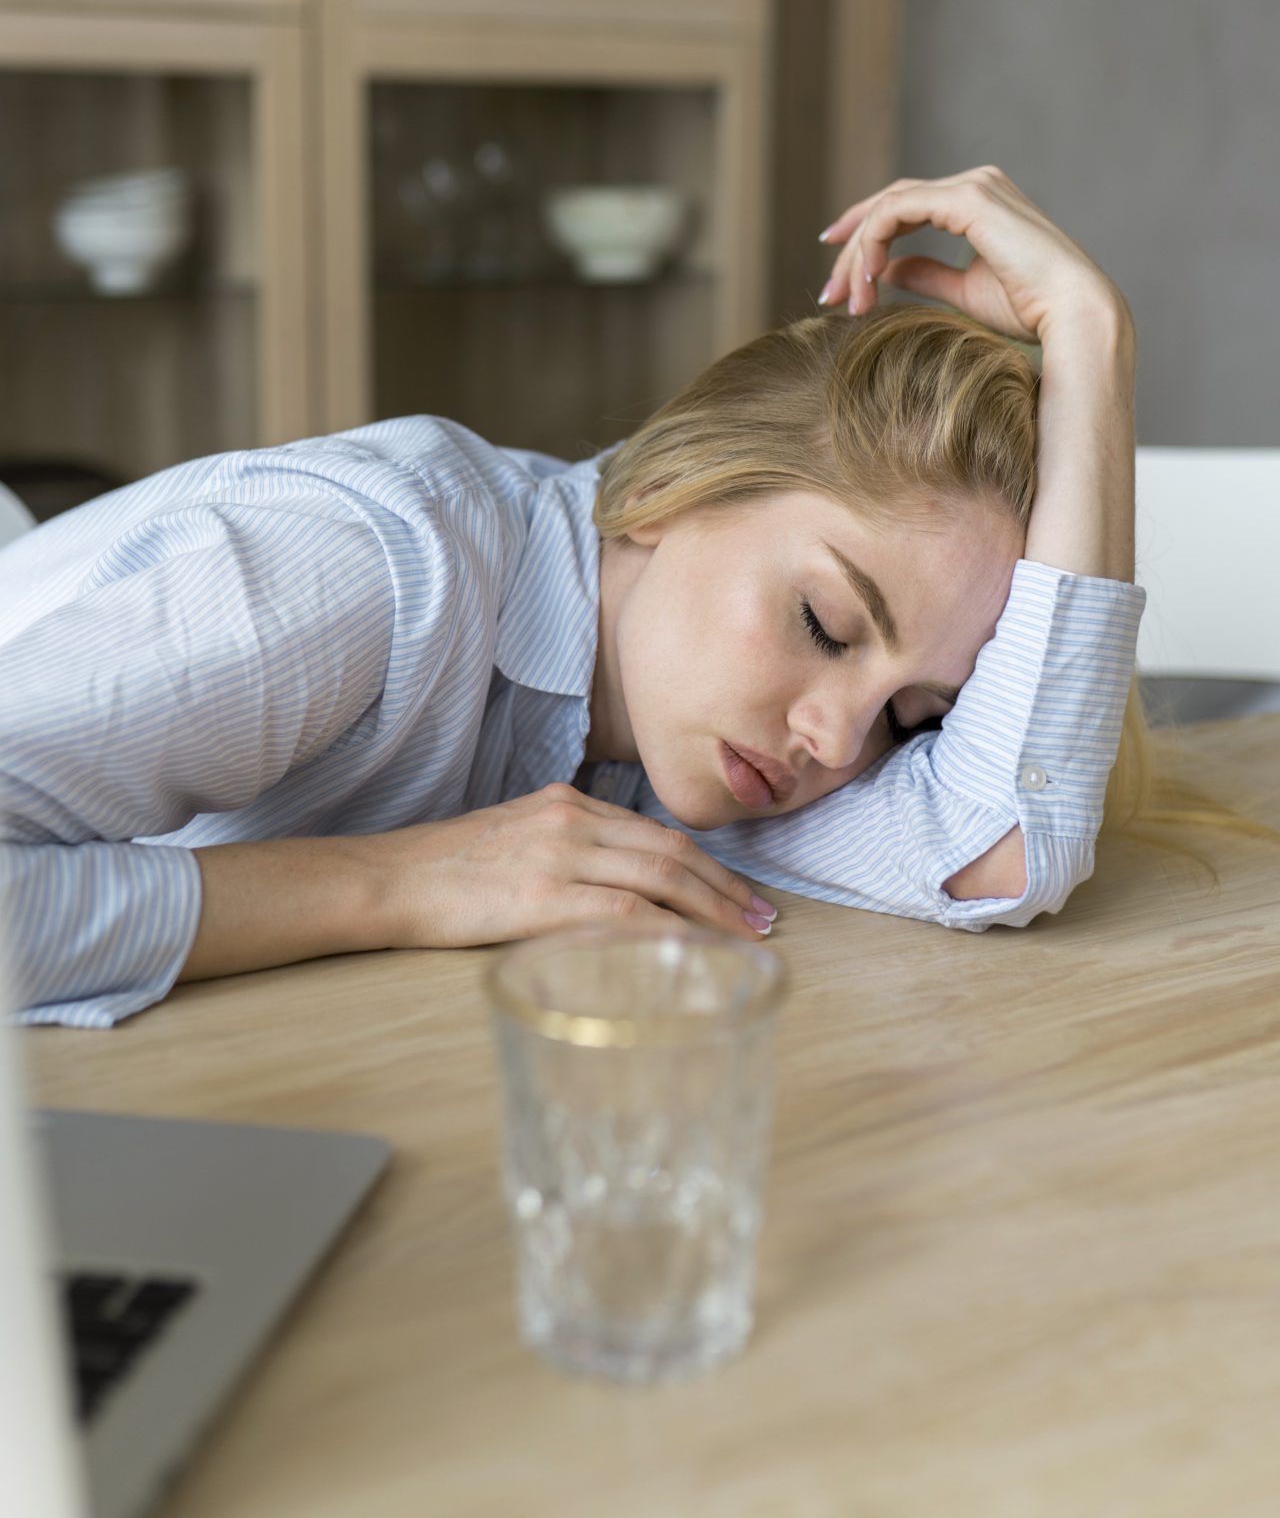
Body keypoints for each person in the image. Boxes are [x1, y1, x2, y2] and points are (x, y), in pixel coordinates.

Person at [0, 167, 1157, 1028]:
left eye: (912, 716)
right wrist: (393, 884)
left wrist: (1091, 351)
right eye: (824, 624)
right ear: (664, 486)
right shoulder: (374, 571)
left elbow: (1003, 849)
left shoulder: (683, 736)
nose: (837, 738)